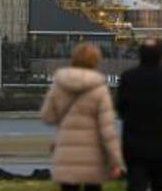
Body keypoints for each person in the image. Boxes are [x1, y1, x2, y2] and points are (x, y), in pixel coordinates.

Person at [40, 42, 123, 191]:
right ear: (95, 61)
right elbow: (107, 129)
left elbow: (48, 116)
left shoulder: (60, 84)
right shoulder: (99, 89)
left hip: (67, 152)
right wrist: (115, 161)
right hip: (93, 155)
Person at [116, 38, 162, 191]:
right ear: (161, 56)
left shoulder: (128, 79)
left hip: (135, 147)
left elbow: (120, 110)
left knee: (136, 185)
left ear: (140, 55)